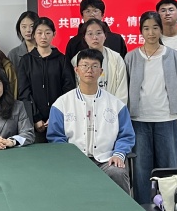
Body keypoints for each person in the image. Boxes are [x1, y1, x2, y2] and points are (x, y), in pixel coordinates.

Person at [47, 49, 135, 194]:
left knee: (118, 172)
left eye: (94, 66)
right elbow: (55, 136)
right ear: (76, 70)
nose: (89, 70)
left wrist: (118, 154)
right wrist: (68, 157)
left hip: (106, 160)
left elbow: (126, 135)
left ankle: (124, 208)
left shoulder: (116, 104)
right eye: (85, 66)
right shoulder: (62, 104)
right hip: (73, 161)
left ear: (101, 71)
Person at [124, 11, 177, 204]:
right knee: (141, 169)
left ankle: (171, 207)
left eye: (155, 28)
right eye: (146, 28)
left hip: (167, 117)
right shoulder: (131, 57)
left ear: (161, 29)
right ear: (141, 31)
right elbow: (126, 87)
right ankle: (142, 207)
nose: (151, 33)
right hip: (139, 119)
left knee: (170, 167)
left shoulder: (172, 55)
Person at [18, 17, 75, 142]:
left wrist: (55, 116)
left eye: (48, 32)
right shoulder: (26, 61)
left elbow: (68, 89)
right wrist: (36, 118)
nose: (43, 36)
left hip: (60, 119)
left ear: (54, 34)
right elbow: (24, 92)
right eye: (39, 33)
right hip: (34, 123)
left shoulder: (62, 60)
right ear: (34, 35)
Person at [73, 19, 128, 105]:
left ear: (105, 36)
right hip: (84, 107)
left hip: (111, 108)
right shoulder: (77, 59)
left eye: (98, 33)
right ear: (84, 37)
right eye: (90, 34)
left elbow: (122, 89)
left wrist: (116, 109)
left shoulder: (116, 58)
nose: (95, 37)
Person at [65, 0, 127, 65]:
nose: (92, 14)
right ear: (82, 15)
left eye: (95, 11)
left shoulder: (116, 40)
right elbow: (68, 67)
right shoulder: (74, 42)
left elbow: (123, 64)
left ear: (102, 14)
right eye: (88, 11)